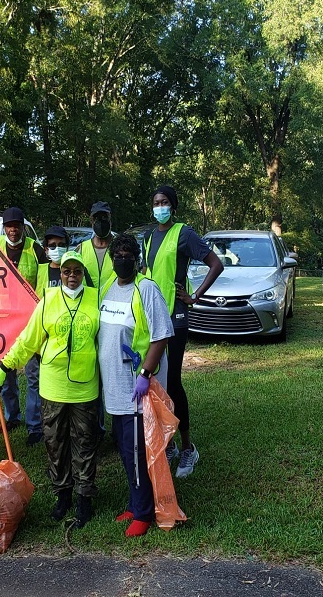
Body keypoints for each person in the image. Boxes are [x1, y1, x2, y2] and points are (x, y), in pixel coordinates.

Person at [0, 251, 100, 527]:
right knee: (55, 444)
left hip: (85, 388)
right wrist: (5, 366)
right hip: (52, 387)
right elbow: (28, 340)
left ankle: (84, 498)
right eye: (67, 272)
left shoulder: (95, 298)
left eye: (77, 271)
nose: (72, 276)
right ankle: (62, 495)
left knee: (85, 445)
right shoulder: (48, 300)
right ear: (60, 273)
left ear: (82, 273)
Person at [142, 185, 223, 478]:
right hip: (152, 318)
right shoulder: (150, 236)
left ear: (173, 207)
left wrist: (195, 296)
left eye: (164, 202)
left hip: (175, 318)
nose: (159, 206)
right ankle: (170, 443)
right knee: (156, 383)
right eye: (155, 202)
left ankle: (188, 448)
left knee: (173, 382)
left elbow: (216, 263)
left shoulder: (184, 234)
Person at [97, 233, 173, 537]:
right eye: (118, 254)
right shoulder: (108, 289)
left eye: (128, 254)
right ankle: (134, 501)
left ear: (137, 259)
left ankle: (143, 512)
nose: (122, 259)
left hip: (137, 388)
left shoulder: (147, 289)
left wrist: (145, 373)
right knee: (126, 449)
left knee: (137, 451)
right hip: (114, 388)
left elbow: (161, 334)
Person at [0, 206, 47, 430]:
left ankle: (34, 423)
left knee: (34, 375)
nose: (13, 230)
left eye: (16, 226)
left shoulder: (35, 249)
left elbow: (43, 285)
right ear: (4, 227)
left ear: (23, 227)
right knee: (7, 372)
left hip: (30, 322)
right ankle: (11, 416)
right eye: (9, 226)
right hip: (2, 322)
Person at [17, 225, 71, 447]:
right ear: (46, 250)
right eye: (52, 246)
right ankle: (34, 427)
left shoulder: (73, 270)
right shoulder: (39, 271)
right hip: (40, 337)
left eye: (60, 245)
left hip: (63, 340)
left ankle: (64, 425)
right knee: (33, 381)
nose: (56, 249)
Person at [75, 201, 116, 297]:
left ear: (110, 220)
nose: (101, 221)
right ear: (91, 221)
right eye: (96, 218)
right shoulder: (81, 249)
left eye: (104, 217)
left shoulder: (120, 247)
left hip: (114, 304)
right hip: (87, 304)